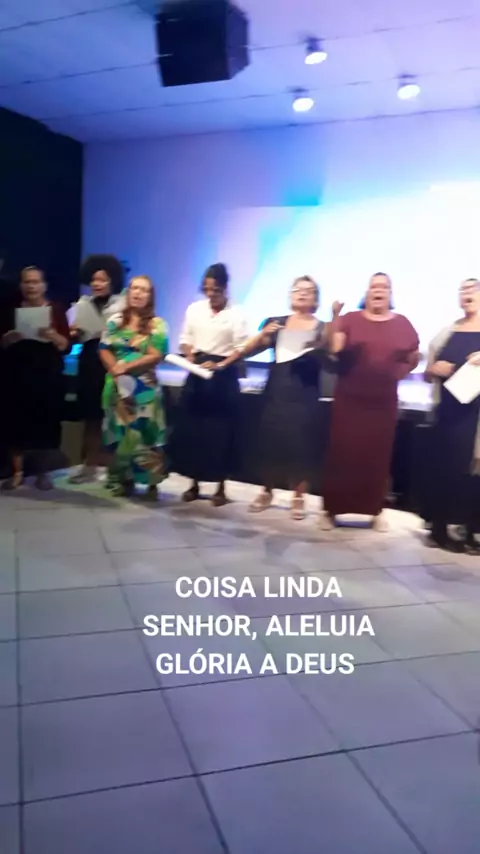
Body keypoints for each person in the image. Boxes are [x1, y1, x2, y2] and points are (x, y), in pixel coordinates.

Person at [215, 276, 327, 519]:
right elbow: (248, 350)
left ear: (316, 298)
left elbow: (331, 355)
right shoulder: (276, 323)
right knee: (270, 441)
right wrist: (262, 334)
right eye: (297, 289)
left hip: (305, 394)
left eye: (308, 291)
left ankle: (298, 496)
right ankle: (267, 490)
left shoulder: (322, 328)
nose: (302, 294)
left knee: (301, 445)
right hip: (276, 391)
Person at [321, 272, 419, 531]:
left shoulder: (402, 323)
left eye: (384, 287)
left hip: (382, 402)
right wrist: (335, 316)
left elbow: (413, 357)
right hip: (350, 399)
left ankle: (375, 510)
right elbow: (334, 348)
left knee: (377, 457)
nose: (378, 290)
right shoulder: (350, 319)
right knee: (343, 454)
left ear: (390, 293)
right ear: (366, 292)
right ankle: (331, 509)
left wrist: (399, 373)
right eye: (374, 286)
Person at [171, 263, 248, 506]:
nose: (211, 294)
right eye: (207, 289)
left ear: (225, 288)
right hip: (198, 371)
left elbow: (241, 348)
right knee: (195, 428)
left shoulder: (237, 313)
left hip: (223, 374)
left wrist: (221, 364)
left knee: (221, 431)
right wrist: (189, 355)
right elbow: (185, 339)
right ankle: (194, 483)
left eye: (216, 290)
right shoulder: (195, 309)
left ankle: (220, 487)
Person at [98, 276, 168, 499]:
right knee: (121, 436)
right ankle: (122, 479)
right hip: (118, 387)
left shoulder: (157, 325)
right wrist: (115, 370)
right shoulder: (115, 321)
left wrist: (127, 367)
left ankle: (151, 483)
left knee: (147, 435)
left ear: (150, 296)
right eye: (134, 288)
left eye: (143, 290)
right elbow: (103, 348)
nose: (138, 293)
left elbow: (156, 355)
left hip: (145, 390)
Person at [1, 266, 70, 490]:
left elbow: (66, 345)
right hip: (17, 374)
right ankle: (17, 472)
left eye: (35, 282)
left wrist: (53, 336)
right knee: (15, 423)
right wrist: (7, 339)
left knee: (46, 424)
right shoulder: (10, 310)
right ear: (21, 285)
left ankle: (43, 473)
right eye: (27, 282)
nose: (31, 286)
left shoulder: (56, 310)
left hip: (47, 375)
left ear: (44, 285)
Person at [424, 278, 480, 553]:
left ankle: (471, 529)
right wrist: (434, 369)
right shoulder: (447, 331)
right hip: (448, 411)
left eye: (473, 289)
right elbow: (427, 372)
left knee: (474, 471)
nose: (467, 294)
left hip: (476, 414)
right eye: (463, 290)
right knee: (447, 467)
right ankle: (440, 528)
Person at [69, 257, 125, 484]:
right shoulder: (82, 304)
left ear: (113, 280)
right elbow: (76, 335)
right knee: (91, 416)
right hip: (90, 361)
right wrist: (75, 333)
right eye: (93, 280)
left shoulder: (123, 304)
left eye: (102, 279)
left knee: (115, 416)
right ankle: (89, 465)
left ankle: (116, 469)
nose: (97, 284)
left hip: (114, 361)